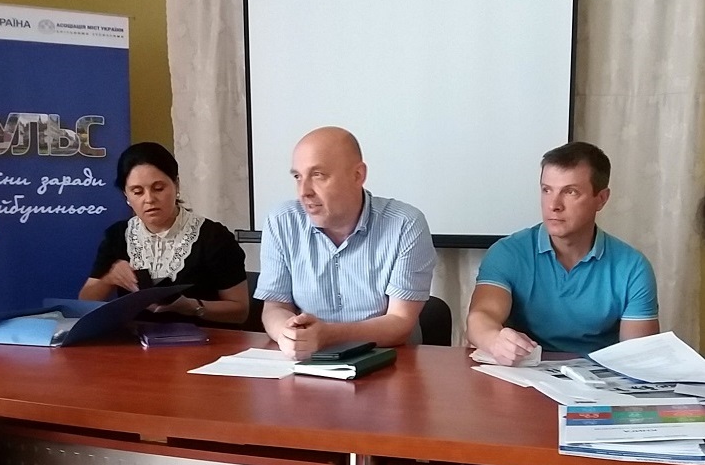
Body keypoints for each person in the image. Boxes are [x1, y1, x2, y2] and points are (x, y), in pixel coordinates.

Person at [466, 141, 659, 365]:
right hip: (524, 372)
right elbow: (481, 316)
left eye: (570, 192)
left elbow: (638, 358)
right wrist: (494, 340)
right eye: (546, 190)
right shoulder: (508, 253)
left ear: (601, 199)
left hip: (596, 378)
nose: (554, 205)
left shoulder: (633, 267)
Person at [254, 126, 437, 359]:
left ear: (358, 175)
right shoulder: (282, 221)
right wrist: (288, 334)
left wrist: (328, 335)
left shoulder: (405, 224)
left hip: (388, 361)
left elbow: (400, 323)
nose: (304, 191)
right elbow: (275, 307)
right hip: (307, 361)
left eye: (318, 175)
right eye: (298, 177)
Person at [79, 142, 249, 324]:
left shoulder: (213, 237)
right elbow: (84, 302)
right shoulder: (118, 236)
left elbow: (240, 312)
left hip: (202, 337)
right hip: (134, 338)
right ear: (126, 195)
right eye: (137, 192)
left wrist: (192, 307)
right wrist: (109, 278)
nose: (149, 199)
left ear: (176, 185)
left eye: (158, 188)